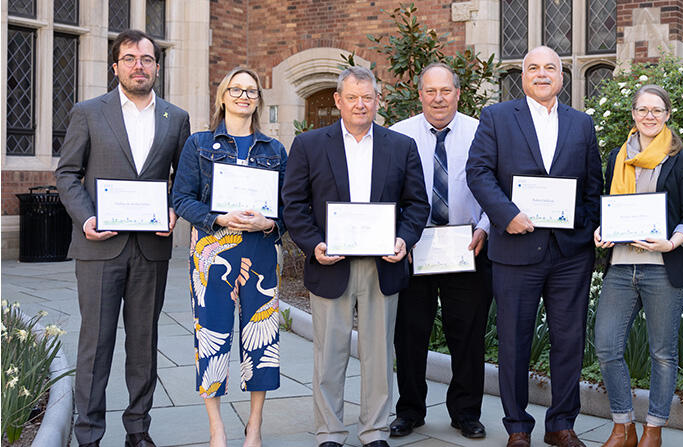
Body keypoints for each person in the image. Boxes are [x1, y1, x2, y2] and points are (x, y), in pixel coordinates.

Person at [53, 29, 191, 447]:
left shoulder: (175, 118)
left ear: (157, 67)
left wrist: (173, 210)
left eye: (146, 59)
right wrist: (86, 218)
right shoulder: (89, 112)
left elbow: (183, 181)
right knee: (95, 343)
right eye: (129, 59)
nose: (138, 66)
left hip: (150, 249)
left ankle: (138, 430)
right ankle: (89, 434)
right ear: (115, 67)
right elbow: (66, 174)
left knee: (144, 342)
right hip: (99, 245)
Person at [281, 66, 429, 447]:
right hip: (331, 263)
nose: (360, 104)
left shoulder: (400, 146)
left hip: (384, 265)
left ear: (377, 100)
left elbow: (416, 205)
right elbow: (293, 204)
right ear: (338, 101)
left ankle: (374, 430)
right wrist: (313, 244)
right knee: (329, 354)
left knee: (379, 355)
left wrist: (404, 240)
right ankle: (330, 431)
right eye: (352, 98)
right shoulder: (310, 145)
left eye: (367, 97)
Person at [466, 45, 603, 447]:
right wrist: (505, 215)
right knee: (513, 341)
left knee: (568, 340)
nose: (542, 74)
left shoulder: (581, 123)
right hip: (514, 251)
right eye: (533, 68)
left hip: (569, 254)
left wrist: (585, 228)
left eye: (550, 68)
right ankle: (518, 428)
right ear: (521, 76)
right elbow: (478, 172)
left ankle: (561, 424)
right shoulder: (495, 118)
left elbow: (592, 185)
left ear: (562, 77)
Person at [171, 66, 287, 447]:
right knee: (212, 336)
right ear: (222, 96)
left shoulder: (275, 151)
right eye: (235, 89)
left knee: (262, 341)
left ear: (258, 100)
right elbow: (181, 198)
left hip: (260, 253)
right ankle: (216, 427)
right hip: (211, 254)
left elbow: (288, 208)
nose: (243, 96)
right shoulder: (199, 144)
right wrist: (217, 217)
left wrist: (269, 225)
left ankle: (254, 426)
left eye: (251, 91)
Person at [592, 85, 683, 447]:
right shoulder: (617, 157)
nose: (649, 116)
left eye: (657, 110)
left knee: (662, 352)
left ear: (668, 115)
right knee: (607, 346)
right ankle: (623, 425)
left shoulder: (681, 159)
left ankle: (653, 427)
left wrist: (672, 241)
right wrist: (601, 230)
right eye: (643, 110)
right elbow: (608, 207)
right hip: (622, 266)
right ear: (634, 114)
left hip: (663, 266)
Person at [388, 62, 493, 440]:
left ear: (458, 93)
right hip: (416, 249)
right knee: (410, 334)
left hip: (468, 247)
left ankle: (466, 412)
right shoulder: (398, 135)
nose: (438, 98)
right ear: (420, 95)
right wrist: (402, 236)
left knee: (467, 334)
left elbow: (495, 187)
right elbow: (390, 192)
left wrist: (484, 229)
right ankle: (410, 410)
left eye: (445, 91)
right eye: (430, 91)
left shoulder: (480, 133)